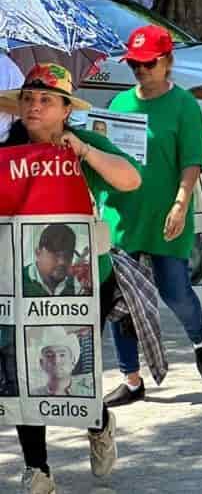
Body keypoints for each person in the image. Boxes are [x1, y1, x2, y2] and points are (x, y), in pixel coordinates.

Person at [1, 63, 142, 493]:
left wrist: (85, 153)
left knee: (72, 372)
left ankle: (98, 422)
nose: (34, 107)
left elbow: (130, 179)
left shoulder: (82, 145)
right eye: (28, 99)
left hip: (84, 283)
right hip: (18, 282)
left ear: (65, 110)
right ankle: (38, 469)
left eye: (45, 100)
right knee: (23, 370)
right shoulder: (7, 152)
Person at [102, 25, 202, 408]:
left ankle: (199, 337)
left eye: (148, 63)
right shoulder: (120, 104)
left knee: (175, 292)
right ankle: (131, 378)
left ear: (168, 62)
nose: (140, 70)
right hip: (121, 216)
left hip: (168, 216)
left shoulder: (184, 105)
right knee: (122, 301)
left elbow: (192, 161)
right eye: (134, 63)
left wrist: (180, 203)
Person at [23, 224, 82, 297]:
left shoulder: (77, 284)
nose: (62, 262)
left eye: (68, 255)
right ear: (38, 253)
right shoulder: (18, 280)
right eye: (55, 255)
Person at [30, 329, 85, 397]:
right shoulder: (34, 395)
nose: (56, 361)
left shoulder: (87, 393)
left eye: (62, 355)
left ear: (73, 361)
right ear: (41, 363)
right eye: (49, 356)